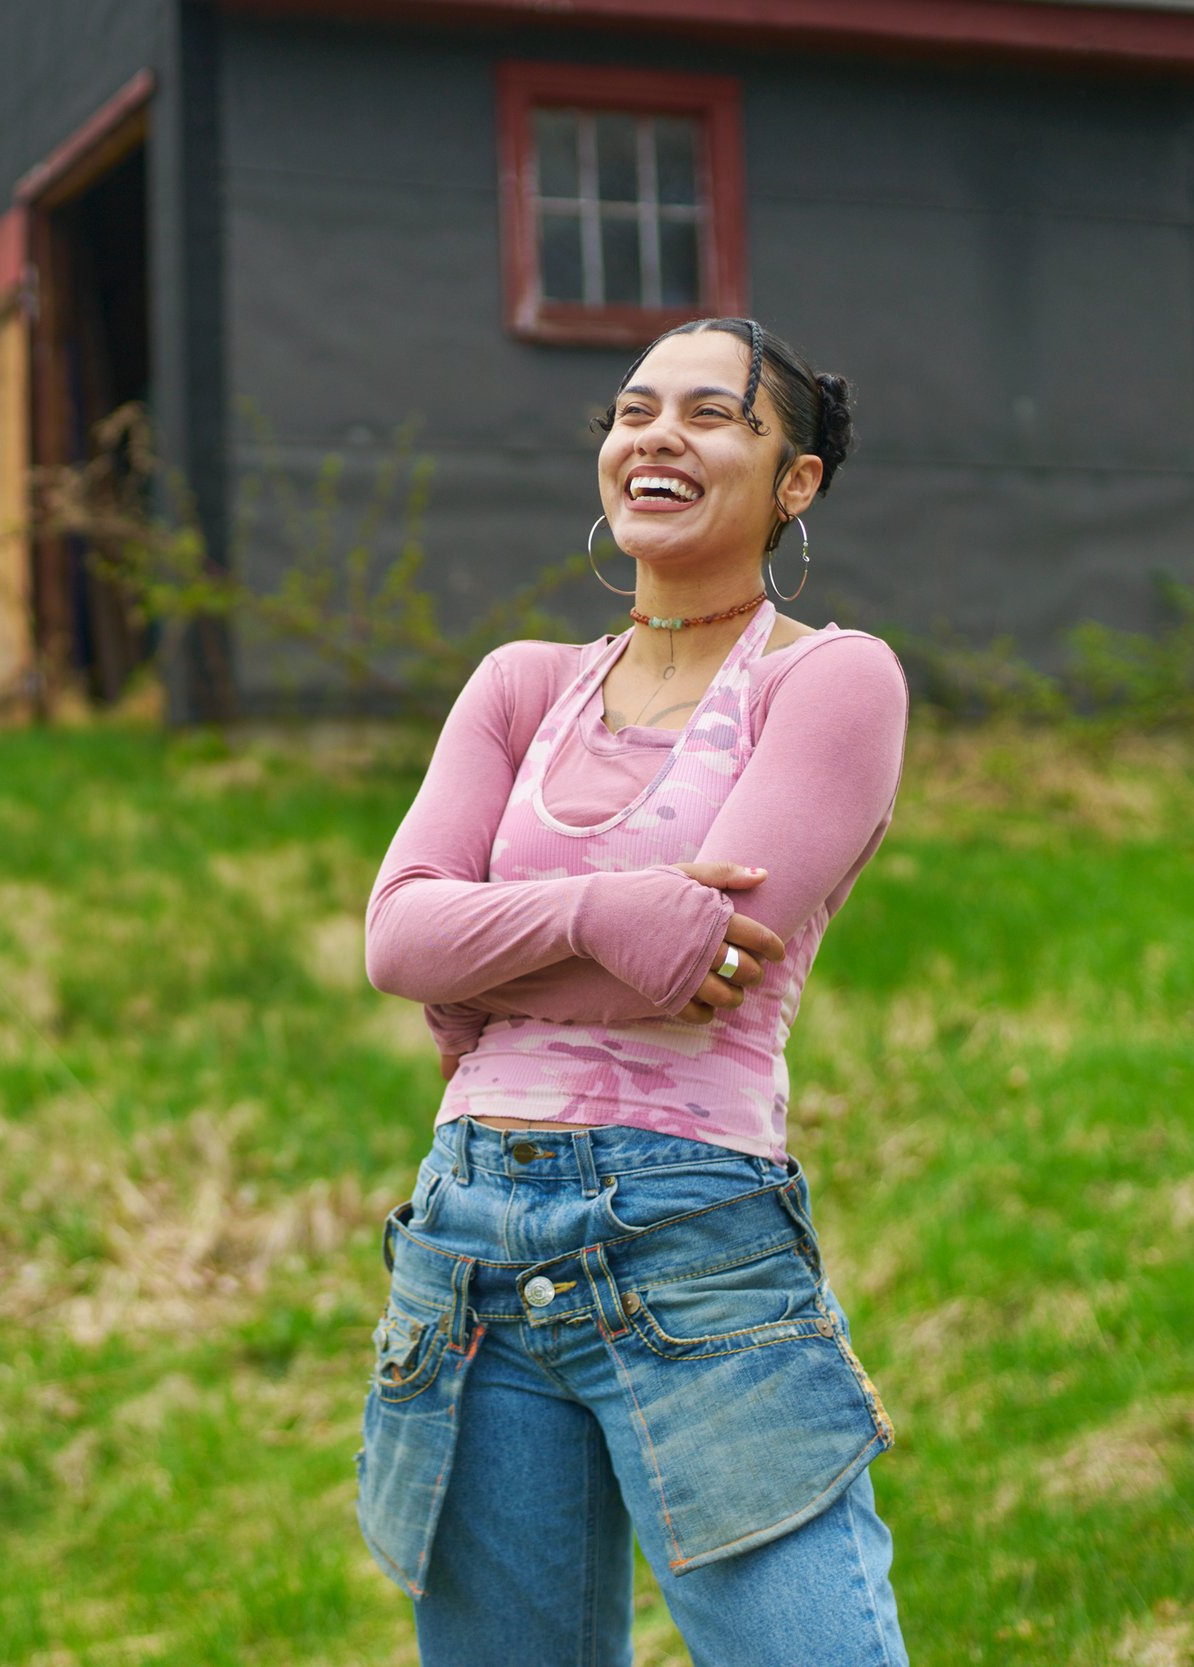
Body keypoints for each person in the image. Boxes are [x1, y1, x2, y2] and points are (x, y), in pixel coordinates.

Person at [355, 317, 912, 1666]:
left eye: (714, 415)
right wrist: (607, 912)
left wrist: (489, 965)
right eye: (632, 408)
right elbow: (395, 937)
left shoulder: (830, 679)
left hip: (689, 1239)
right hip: (466, 1251)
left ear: (797, 481)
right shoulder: (520, 685)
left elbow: (714, 966)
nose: (657, 433)